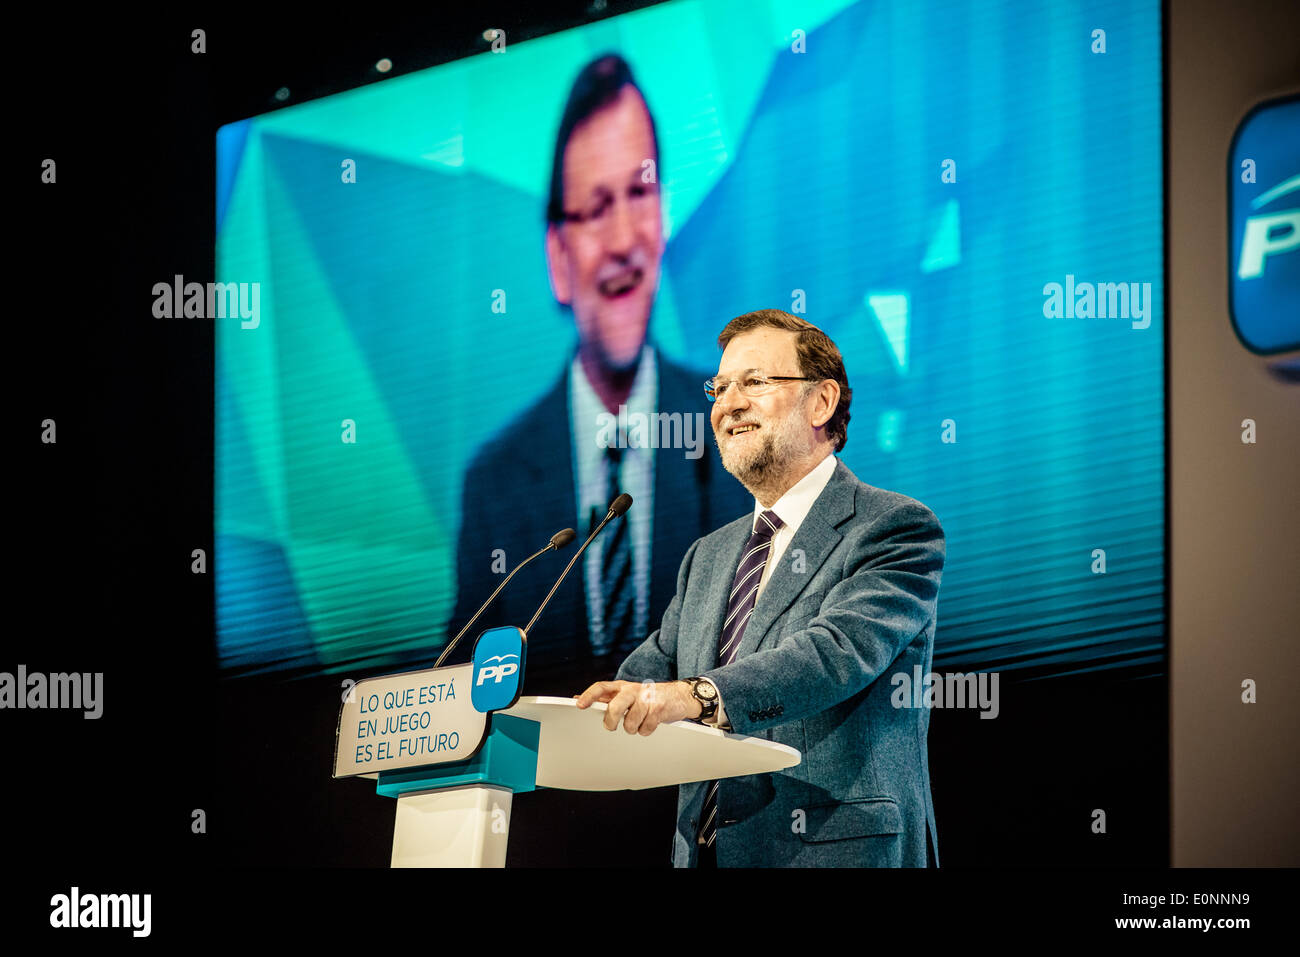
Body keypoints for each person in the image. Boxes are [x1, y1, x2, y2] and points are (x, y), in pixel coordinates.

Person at [577, 308, 945, 867]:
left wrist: (696, 696)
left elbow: (836, 653)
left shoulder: (893, 528)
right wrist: (578, 715)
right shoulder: (709, 555)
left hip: (832, 852)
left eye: (754, 382)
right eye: (720, 388)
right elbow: (651, 674)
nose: (728, 404)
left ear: (821, 402)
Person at [451, 54, 748, 695]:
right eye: (594, 208)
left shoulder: (734, 434)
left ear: (663, 218)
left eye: (639, 195)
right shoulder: (494, 486)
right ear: (558, 258)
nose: (622, 240)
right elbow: (459, 701)